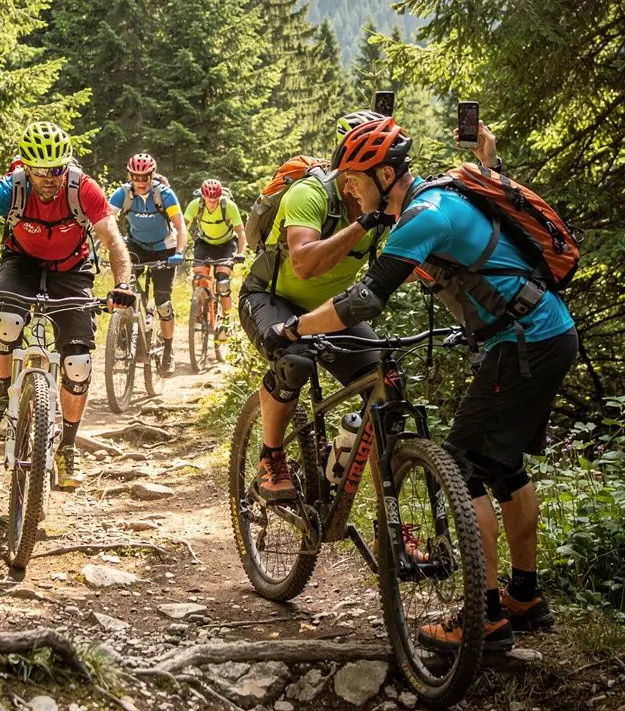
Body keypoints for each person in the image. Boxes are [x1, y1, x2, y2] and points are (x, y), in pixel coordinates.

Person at [263, 114, 578, 653]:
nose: (348, 189)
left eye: (356, 180)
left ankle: (486, 615)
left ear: (385, 174)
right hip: (543, 333)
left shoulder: (423, 216)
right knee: (507, 469)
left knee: (461, 467)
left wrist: (292, 326)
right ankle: (524, 596)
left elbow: (364, 300)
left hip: (523, 343)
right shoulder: (438, 200)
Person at [0, 121, 134, 490]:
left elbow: (113, 241)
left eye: (58, 169)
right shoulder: (8, 189)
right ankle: (3, 401)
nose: (51, 178)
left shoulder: (84, 189)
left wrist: (123, 284)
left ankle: (66, 447)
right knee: (7, 324)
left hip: (72, 269)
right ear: (26, 167)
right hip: (22, 265)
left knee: (78, 364)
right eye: (41, 170)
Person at [239, 114, 388, 505]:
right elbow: (303, 265)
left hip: (331, 309)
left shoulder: (388, 201)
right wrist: (365, 222)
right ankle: (270, 458)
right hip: (271, 298)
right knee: (296, 362)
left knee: (386, 387)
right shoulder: (311, 195)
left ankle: (387, 526)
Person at [109, 153, 187, 377]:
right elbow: (107, 221)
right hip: (136, 246)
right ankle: (124, 332)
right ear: (130, 176)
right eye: (136, 177)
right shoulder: (123, 194)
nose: (140, 182)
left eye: (145, 177)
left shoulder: (164, 194)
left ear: (152, 176)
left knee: (163, 303)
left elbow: (180, 227)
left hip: (165, 248)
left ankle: (168, 350)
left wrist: (179, 252)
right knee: (126, 290)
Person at [183, 179, 246, 341]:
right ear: (202, 197)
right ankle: (200, 305)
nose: (211, 203)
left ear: (220, 197)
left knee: (223, 282)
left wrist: (241, 252)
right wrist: (178, 250)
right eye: (208, 199)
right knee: (199, 276)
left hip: (226, 245)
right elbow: (183, 228)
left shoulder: (229, 206)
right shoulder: (195, 204)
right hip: (204, 243)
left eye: (215, 200)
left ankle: (226, 321)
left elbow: (240, 232)